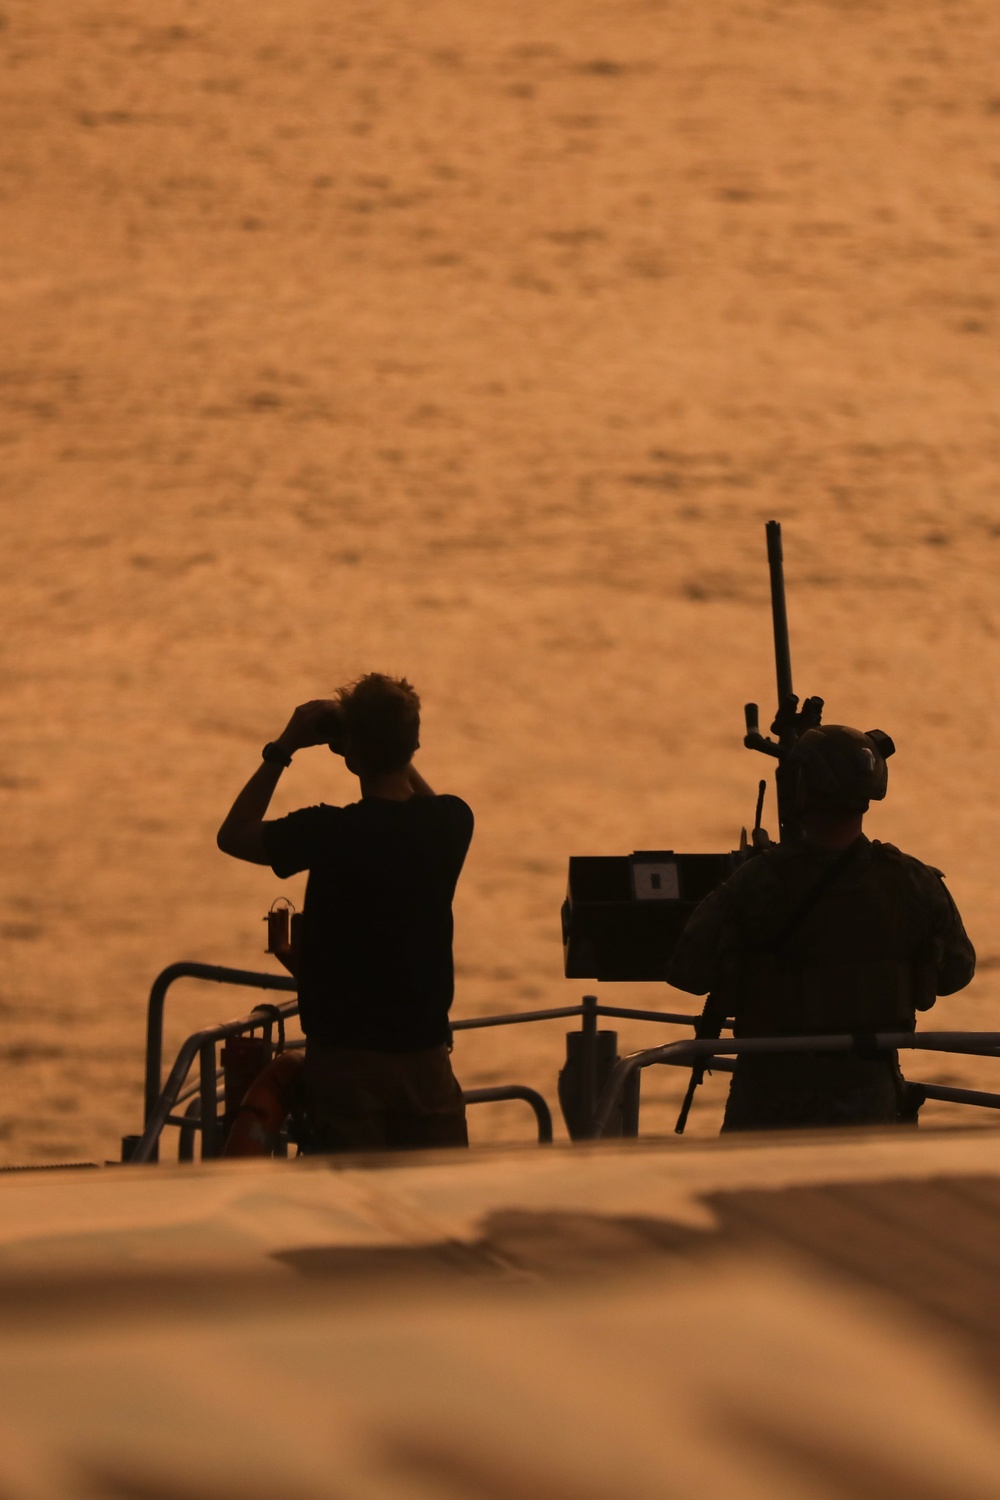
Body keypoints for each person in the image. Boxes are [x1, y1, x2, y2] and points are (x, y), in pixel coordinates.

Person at [666, 725, 975, 1131]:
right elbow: (957, 972)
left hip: (771, 1098)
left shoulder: (760, 880)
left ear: (804, 791)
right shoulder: (912, 881)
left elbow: (688, 970)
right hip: (870, 1096)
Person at [216, 673, 474, 1153]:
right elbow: (423, 804)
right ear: (413, 744)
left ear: (350, 752)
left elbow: (233, 835)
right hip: (426, 1063)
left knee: (355, 1212)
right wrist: (383, 742)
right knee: (439, 1207)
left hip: (345, 1067)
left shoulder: (327, 832)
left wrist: (283, 747)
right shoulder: (453, 824)